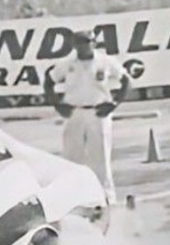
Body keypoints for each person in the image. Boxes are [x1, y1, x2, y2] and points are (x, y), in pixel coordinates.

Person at [45, 29, 130, 203]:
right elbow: (49, 81)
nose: (83, 46)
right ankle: (72, 198)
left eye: (87, 42)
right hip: (74, 112)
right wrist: (57, 104)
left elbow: (126, 80)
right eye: (79, 43)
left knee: (100, 158)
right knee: (71, 157)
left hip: (98, 113)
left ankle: (106, 199)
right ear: (74, 45)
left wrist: (114, 103)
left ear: (94, 43)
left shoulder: (106, 62)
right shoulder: (67, 64)